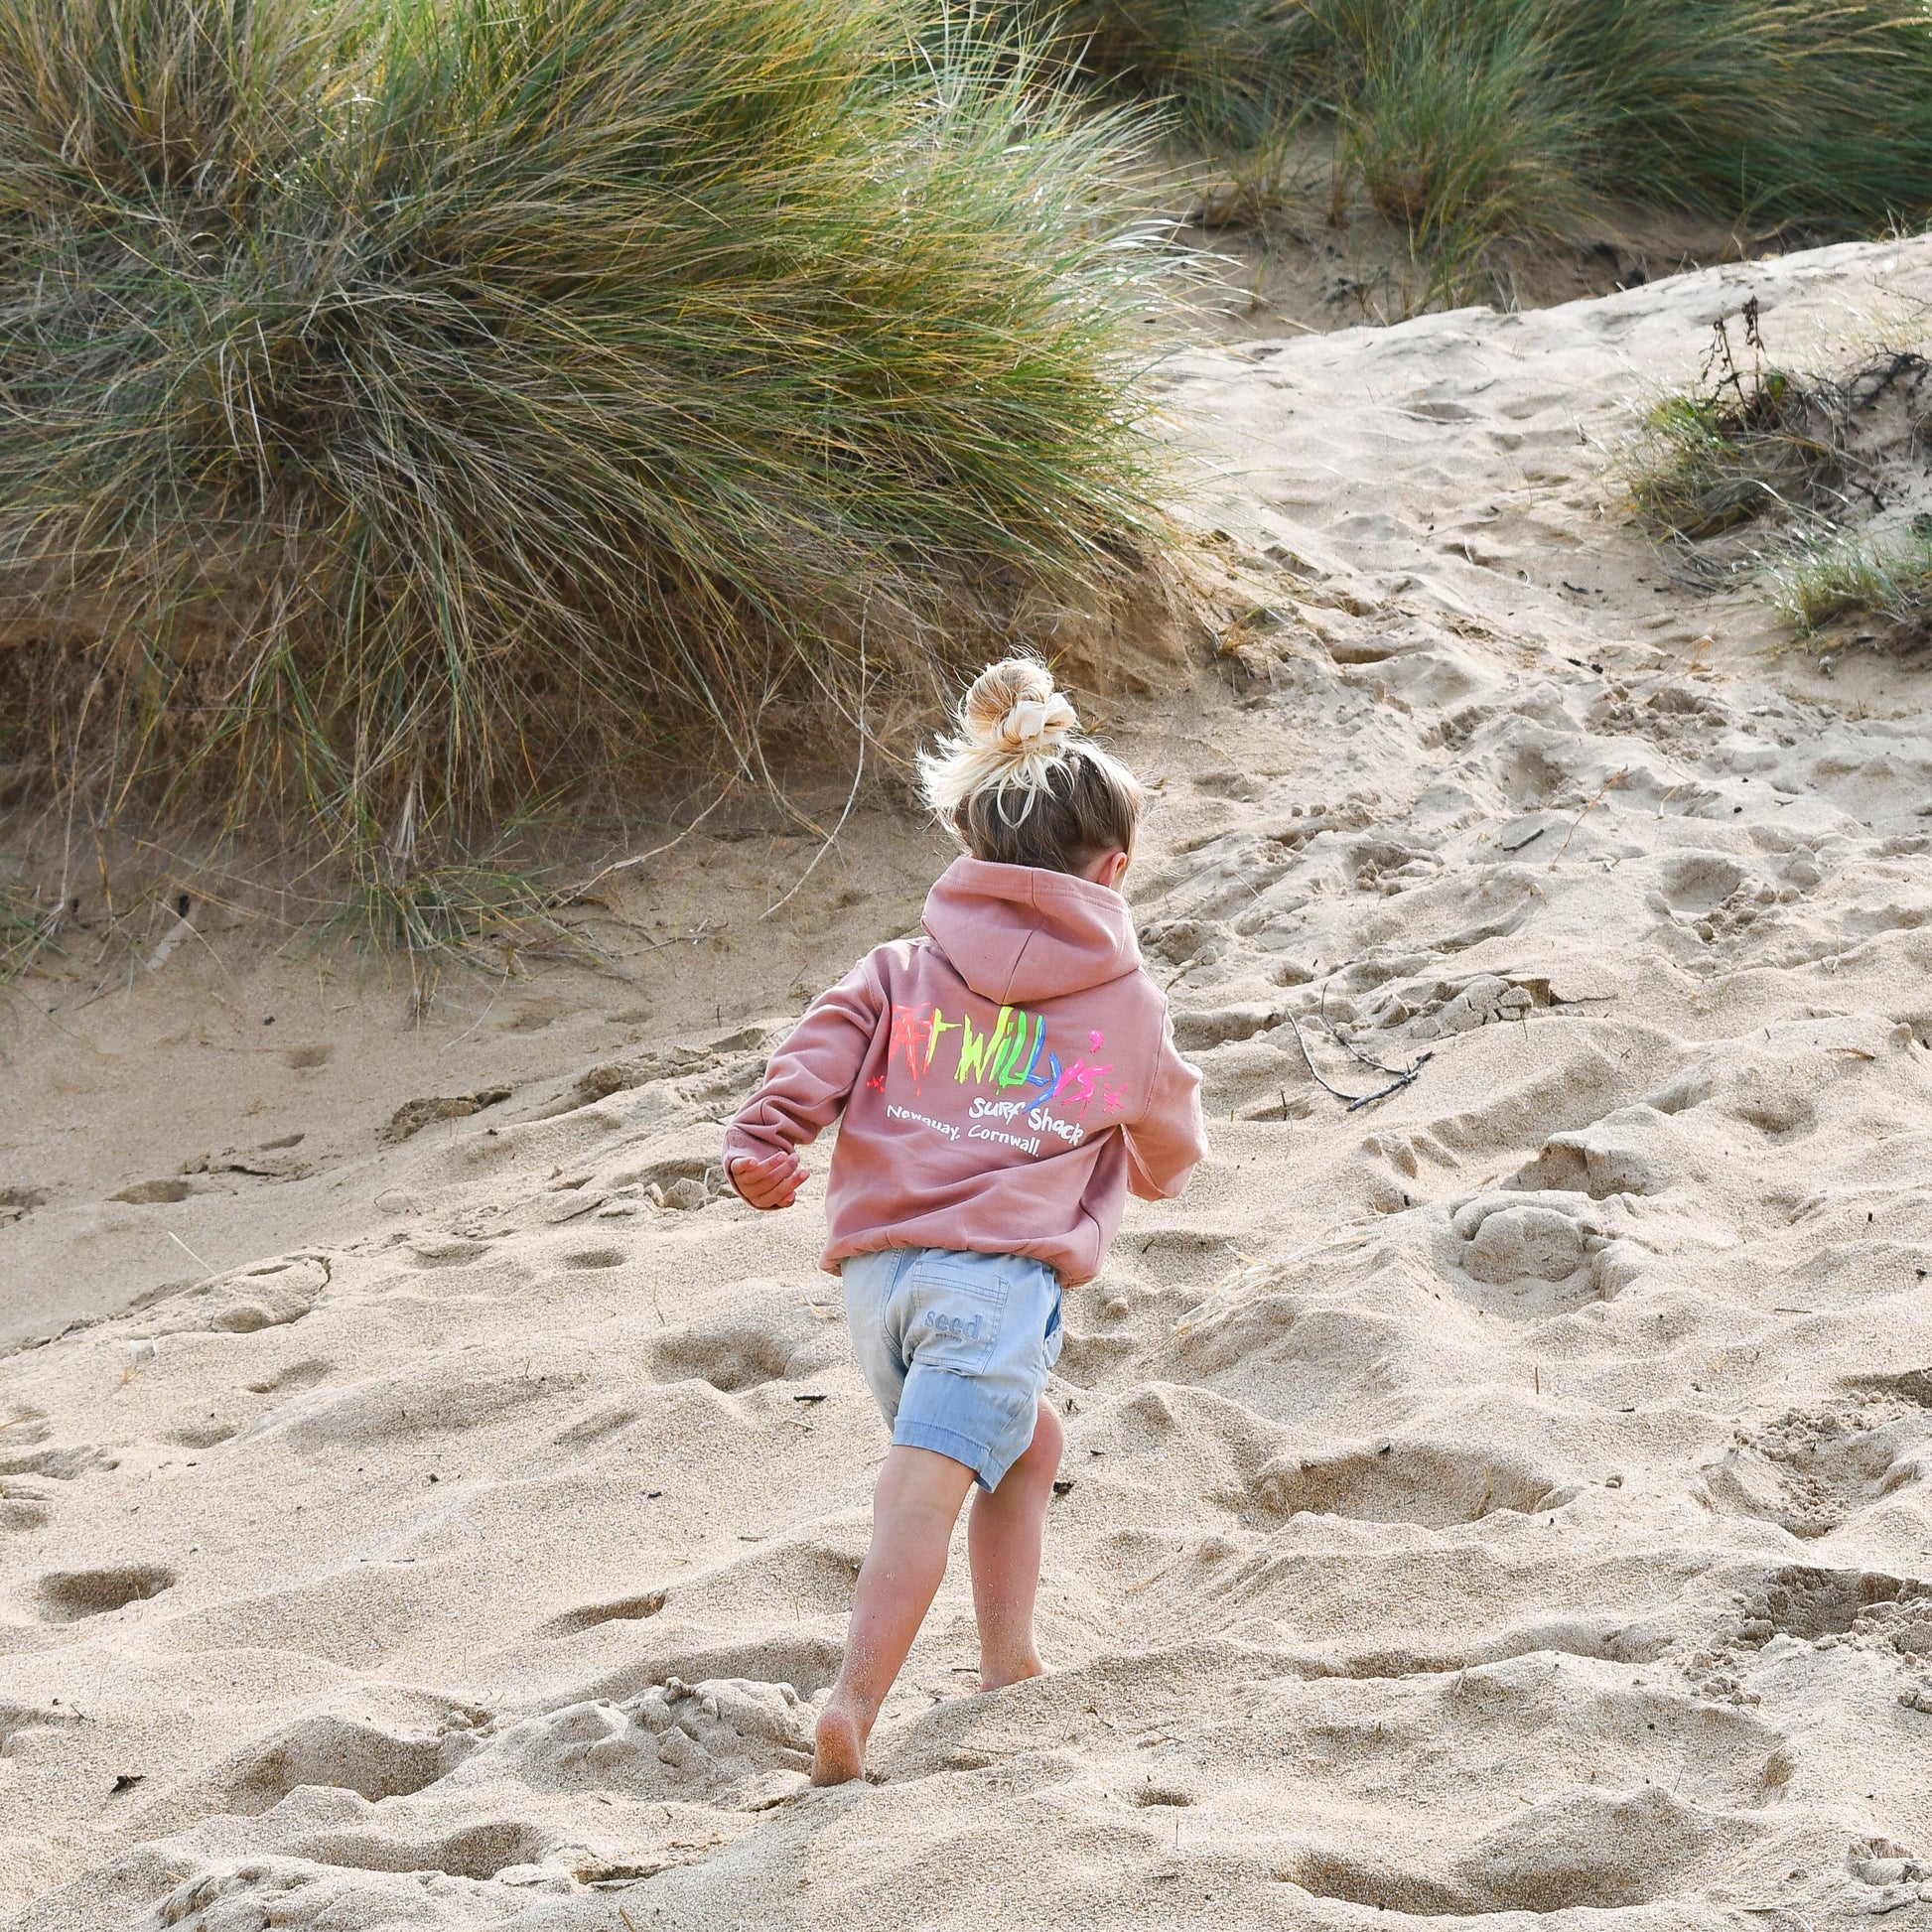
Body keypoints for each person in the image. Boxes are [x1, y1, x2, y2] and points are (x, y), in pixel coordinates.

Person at [722, 656, 1206, 1785]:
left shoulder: (897, 969)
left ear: (972, 852)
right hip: (991, 1288)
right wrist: (1146, 1158)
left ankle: (1007, 1656)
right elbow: (1170, 1139)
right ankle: (852, 1700)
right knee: (924, 1482)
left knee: (1025, 1443)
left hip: (878, 1285)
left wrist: (763, 1141)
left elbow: (812, 1059)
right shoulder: (1124, 1004)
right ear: (1114, 868)